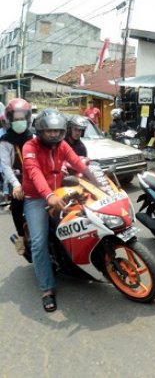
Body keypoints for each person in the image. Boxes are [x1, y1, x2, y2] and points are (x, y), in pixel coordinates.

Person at [22, 109, 90, 312]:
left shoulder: (63, 145)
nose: (53, 134)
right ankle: (46, 288)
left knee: (83, 222)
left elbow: (78, 163)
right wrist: (48, 196)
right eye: (49, 130)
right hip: (36, 198)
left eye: (57, 131)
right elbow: (34, 173)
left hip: (60, 192)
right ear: (40, 130)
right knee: (39, 243)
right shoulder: (29, 147)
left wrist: (98, 181)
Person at [2, 98, 34, 255]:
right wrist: (15, 184)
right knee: (16, 203)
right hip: (17, 179)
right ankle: (21, 236)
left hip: (34, 176)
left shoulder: (33, 137)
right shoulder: (5, 141)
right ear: (9, 120)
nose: (19, 122)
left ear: (27, 119)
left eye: (22, 119)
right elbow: (5, 166)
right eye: (16, 120)